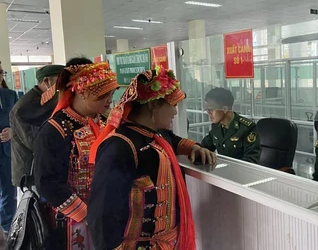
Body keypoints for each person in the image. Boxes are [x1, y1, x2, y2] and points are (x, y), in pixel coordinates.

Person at [88, 67, 215, 250]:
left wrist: (194, 147)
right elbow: (101, 214)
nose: (175, 112)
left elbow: (174, 140)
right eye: (172, 105)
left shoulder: (157, 135)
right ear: (153, 105)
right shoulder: (120, 147)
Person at [34, 58, 119, 249]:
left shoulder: (106, 123)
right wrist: (88, 214)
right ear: (82, 91)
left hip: (106, 216)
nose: (110, 100)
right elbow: (47, 182)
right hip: (71, 223)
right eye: (104, 94)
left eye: (111, 94)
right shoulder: (55, 130)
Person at [10, 64, 64, 187]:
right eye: (61, 81)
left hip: (44, 168)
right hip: (30, 172)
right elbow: (33, 142)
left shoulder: (48, 99)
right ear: (47, 81)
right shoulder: (25, 106)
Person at [201, 87, 261, 163]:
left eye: (211, 109)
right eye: (207, 110)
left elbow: (251, 160)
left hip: (240, 172)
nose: (208, 113)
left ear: (225, 109)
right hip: (222, 172)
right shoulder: (217, 126)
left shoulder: (247, 128)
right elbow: (204, 147)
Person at [0, 62, 18, 236]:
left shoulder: (10, 95)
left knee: (9, 193)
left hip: (7, 153)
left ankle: (7, 229)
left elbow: (20, 121)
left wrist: (13, 132)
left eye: (0, 73)